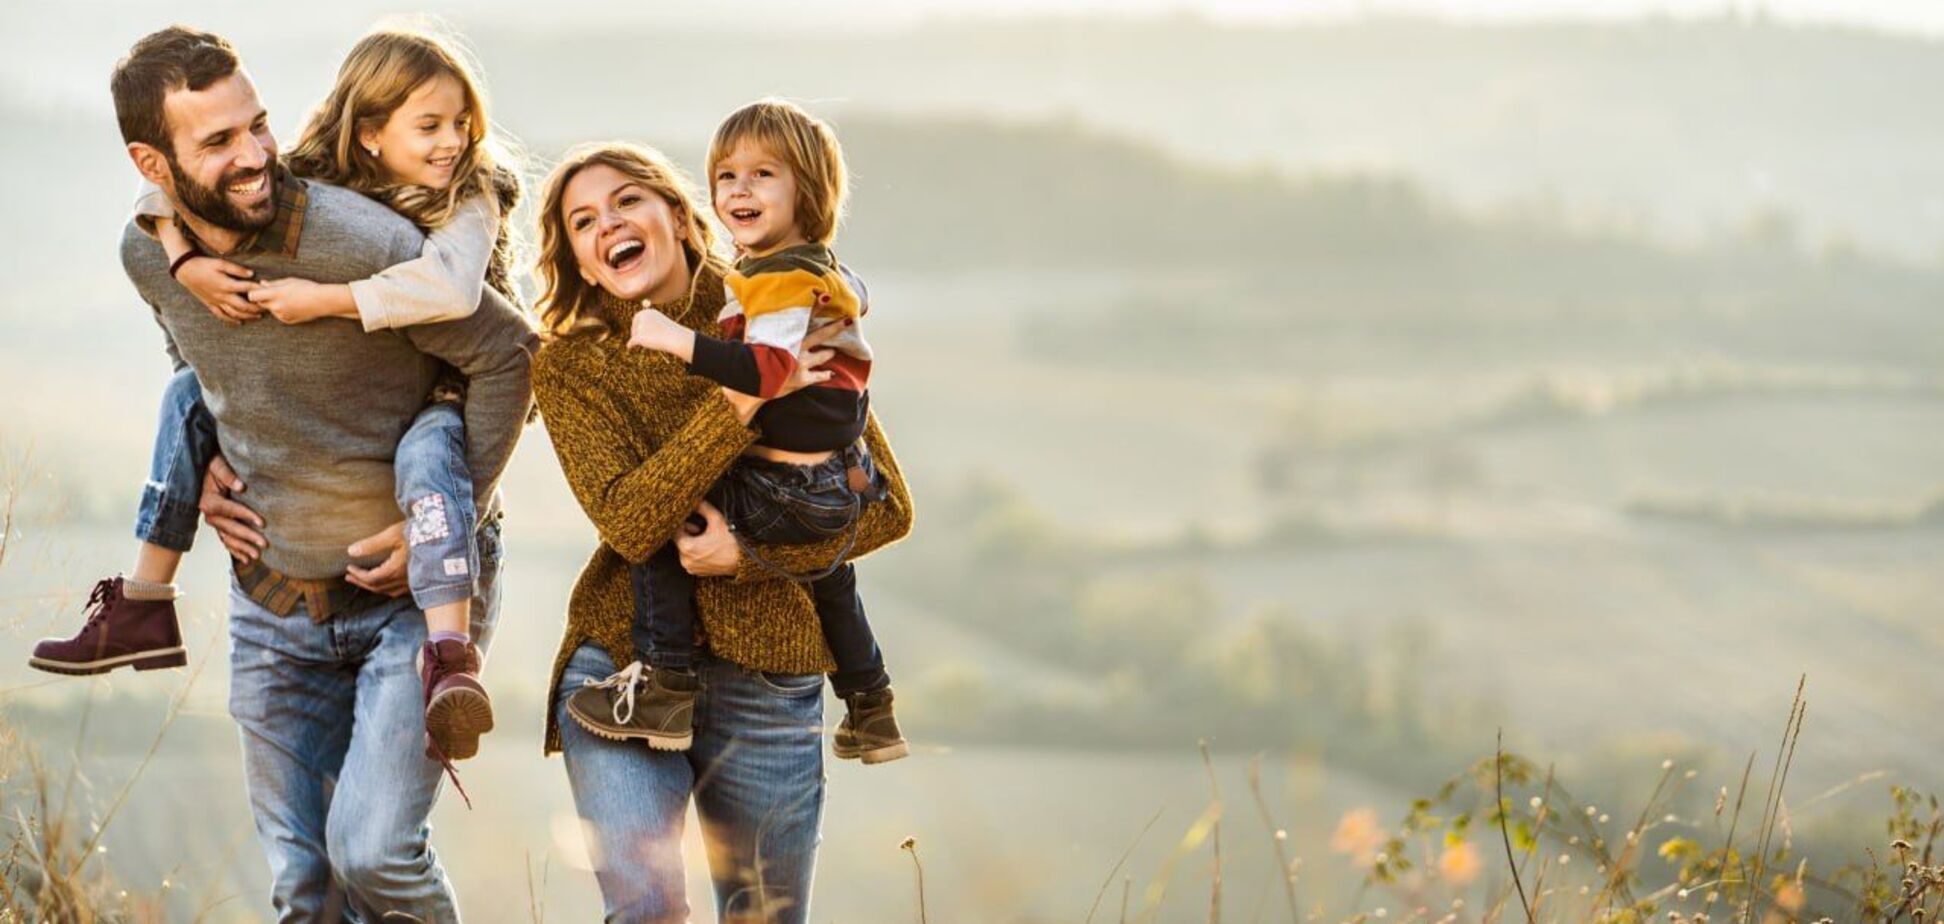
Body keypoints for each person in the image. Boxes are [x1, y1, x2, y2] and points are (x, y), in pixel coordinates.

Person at [106, 26, 534, 921]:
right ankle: (137, 603)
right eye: (218, 141)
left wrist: (441, 522)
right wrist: (215, 458)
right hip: (273, 601)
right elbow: (193, 354)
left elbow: (505, 351)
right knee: (304, 890)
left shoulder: (372, 237)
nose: (255, 154)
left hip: (416, 595)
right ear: (153, 160)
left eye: (256, 125)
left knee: (374, 856)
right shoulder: (153, 250)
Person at [530, 141, 914, 922]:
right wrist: (740, 401)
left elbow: (886, 506)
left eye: (626, 202)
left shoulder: (778, 299)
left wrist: (747, 554)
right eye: (582, 221)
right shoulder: (571, 366)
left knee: (765, 915)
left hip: (772, 679)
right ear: (576, 256)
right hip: (624, 669)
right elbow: (632, 520)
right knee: (646, 909)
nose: (608, 226)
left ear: (675, 213)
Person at [570, 99, 906, 764]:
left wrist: (680, 341)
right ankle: (872, 705)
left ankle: (665, 682)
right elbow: (849, 305)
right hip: (836, 483)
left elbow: (770, 370)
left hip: (787, 486)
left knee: (668, 514)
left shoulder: (781, 278)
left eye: (762, 175)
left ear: (806, 193)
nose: (739, 189)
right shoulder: (814, 269)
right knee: (833, 581)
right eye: (726, 176)